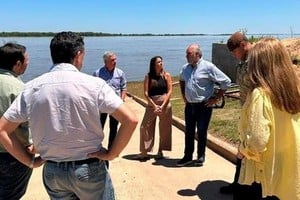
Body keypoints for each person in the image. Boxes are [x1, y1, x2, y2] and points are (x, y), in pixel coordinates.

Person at [0, 31, 138, 200]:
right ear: (78, 55)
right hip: (88, 168)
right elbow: (130, 120)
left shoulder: (32, 87)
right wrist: (111, 154)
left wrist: (29, 162)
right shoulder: (94, 84)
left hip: (53, 171)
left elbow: (2, 130)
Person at [237, 37, 300, 199]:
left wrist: (242, 150)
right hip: (291, 165)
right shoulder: (294, 89)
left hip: (267, 173)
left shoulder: (261, 94)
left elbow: (257, 141)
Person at [177, 43, 231, 167]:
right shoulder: (185, 68)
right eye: (186, 54)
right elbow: (181, 80)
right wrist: (184, 96)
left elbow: (226, 81)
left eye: (189, 54)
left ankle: (200, 156)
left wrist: (216, 98)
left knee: (201, 132)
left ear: (197, 54)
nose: (186, 56)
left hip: (204, 106)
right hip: (189, 106)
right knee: (189, 132)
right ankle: (187, 156)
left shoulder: (208, 67)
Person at [219, 32, 253, 195]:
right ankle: (238, 184)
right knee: (242, 151)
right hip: (246, 113)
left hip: (256, 114)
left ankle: (248, 188)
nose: (233, 56)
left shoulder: (258, 61)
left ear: (243, 45)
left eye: (234, 52)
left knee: (250, 152)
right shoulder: (243, 63)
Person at [0, 43, 33, 200]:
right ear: (18, 63)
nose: (29, 63)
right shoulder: (20, 88)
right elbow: (28, 123)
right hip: (13, 154)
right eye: (27, 59)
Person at [137, 56, 172, 161]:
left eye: (162, 61)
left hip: (165, 104)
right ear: (154, 64)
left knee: (164, 128)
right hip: (152, 105)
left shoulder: (166, 75)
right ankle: (144, 152)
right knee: (144, 127)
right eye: (159, 62)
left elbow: (169, 91)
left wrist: (162, 105)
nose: (161, 63)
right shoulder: (148, 77)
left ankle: (160, 151)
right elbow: (146, 93)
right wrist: (154, 105)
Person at [93, 51, 127, 150]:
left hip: (115, 105)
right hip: (102, 105)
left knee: (114, 127)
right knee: (99, 127)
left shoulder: (120, 73)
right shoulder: (97, 73)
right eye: (112, 60)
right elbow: (93, 89)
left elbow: (123, 87)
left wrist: (122, 99)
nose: (115, 61)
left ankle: (111, 148)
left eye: (115, 59)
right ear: (105, 61)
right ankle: (96, 147)